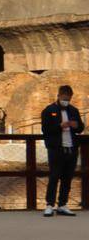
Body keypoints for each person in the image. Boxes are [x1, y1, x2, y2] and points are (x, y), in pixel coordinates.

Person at [41, 85, 82, 217]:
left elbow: (80, 128)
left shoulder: (74, 111)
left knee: (67, 178)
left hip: (71, 148)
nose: (66, 101)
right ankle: (49, 205)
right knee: (54, 177)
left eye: (68, 99)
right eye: (64, 98)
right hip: (56, 149)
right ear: (58, 96)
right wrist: (59, 126)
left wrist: (77, 126)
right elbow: (46, 130)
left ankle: (62, 204)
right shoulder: (49, 110)